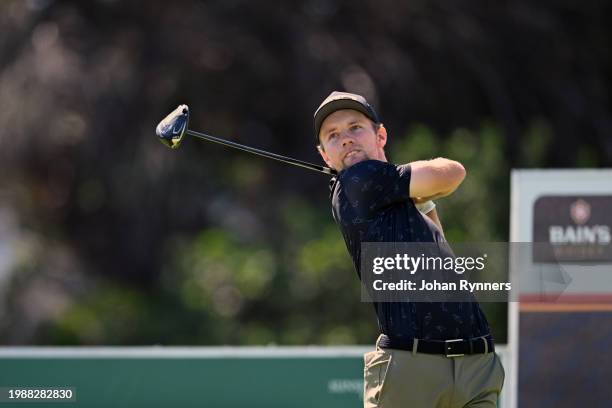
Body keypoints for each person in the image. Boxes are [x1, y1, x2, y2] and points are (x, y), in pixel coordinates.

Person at [314, 91, 505, 407]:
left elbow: (441, 253)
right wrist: (422, 180)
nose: (346, 139)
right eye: (333, 135)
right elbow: (453, 172)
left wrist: (423, 201)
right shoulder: (358, 179)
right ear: (325, 156)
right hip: (414, 367)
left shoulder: (391, 194)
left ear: (381, 135)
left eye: (354, 128)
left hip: (474, 360)